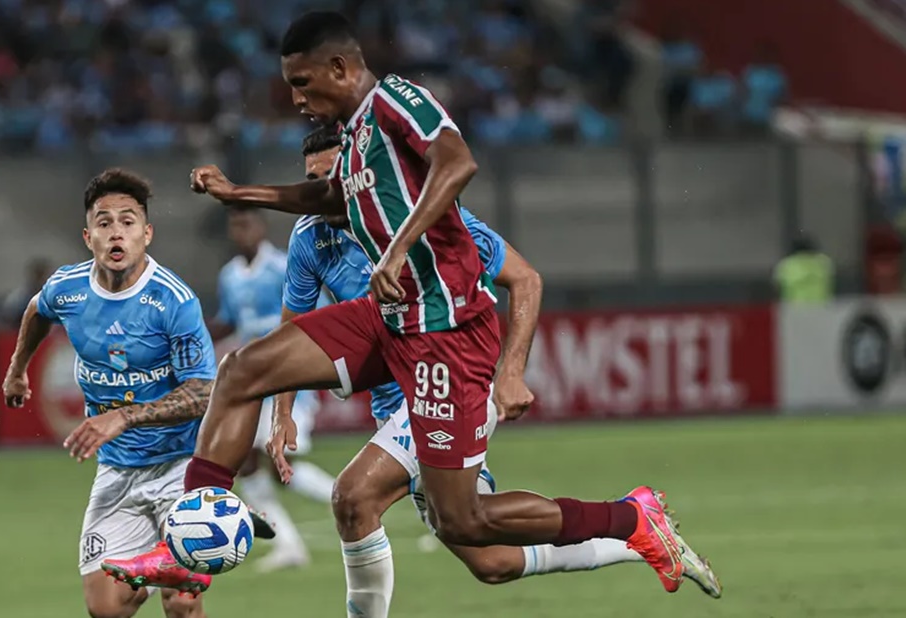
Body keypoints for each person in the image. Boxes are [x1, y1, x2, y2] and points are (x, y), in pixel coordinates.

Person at [102, 10, 715, 602]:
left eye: (302, 83)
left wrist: (399, 249)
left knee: (467, 525)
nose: (294, 98)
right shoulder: (354, 137)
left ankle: (630, 517)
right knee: (242, 372)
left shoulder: (397, 102)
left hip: (445, 333)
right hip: (388, 318)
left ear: (341, 68)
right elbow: (331, 196)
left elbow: (458, 160)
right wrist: (241, 193)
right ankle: (190, 535)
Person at [271, 125, 721, 614]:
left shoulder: (430, 219)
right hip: (395, 407)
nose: (321, 193)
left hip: (450, 383)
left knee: (354, 498)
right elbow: (296, 328)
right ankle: (635, 528)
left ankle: (628, 520)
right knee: (490, 557)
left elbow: (525, 279)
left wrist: (511, 371)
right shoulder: (310, 238)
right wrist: (283, 409)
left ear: (358, 176)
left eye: (331, 178)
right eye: (312, 181)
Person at [0, 169, 217, 618]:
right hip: (118, 470)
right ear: (88, 236)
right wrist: (17, 370)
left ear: (147, 234)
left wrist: (125, 416)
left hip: (180, 462)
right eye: (104, 222)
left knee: (181, 604)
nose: (116, 232)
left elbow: (202, 392)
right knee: (106, 609)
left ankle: (173, 567)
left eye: (128, 221)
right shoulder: (68, 288)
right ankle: (162, 566)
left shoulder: (173, 300)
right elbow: (37, 310)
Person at [209, 206, 334, 572]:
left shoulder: (283, 267)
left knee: (284, 465)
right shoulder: (230, 275)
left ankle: (351, 500)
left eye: (247, 224)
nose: (242, 231)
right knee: (246, 462)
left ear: (260, 227)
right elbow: (230, 321)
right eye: (236, 226)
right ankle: (288, 544)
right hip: (254, 383)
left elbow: (318, 313)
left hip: (289, 381)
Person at [773, 233, 834, 304]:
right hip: (821, 307)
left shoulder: (786, 264)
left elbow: (777, 287)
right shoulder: (824, 262)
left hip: (794, 308)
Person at [0, 257, 51, 329]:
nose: (41, 279)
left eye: (43, 275)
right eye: (38, 275)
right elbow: (8, 317)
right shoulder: (19, 296)